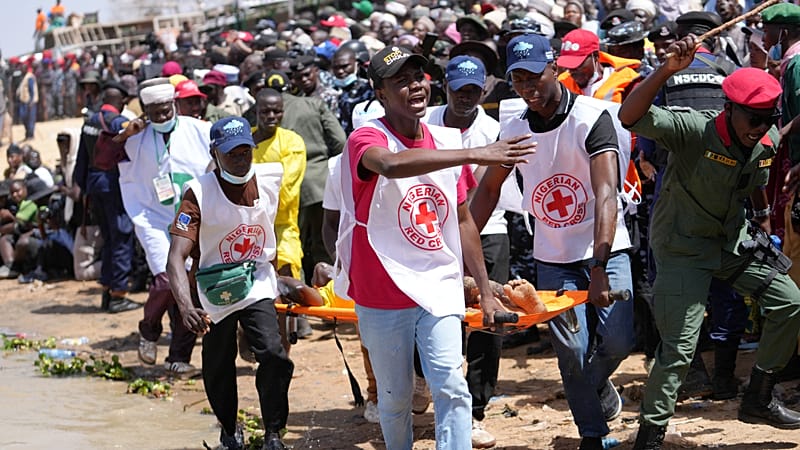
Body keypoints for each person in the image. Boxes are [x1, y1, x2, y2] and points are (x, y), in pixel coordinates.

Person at [339, 44, 534, 450]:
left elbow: (462, 220)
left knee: (451, 384)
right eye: (401, 81)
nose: (414, 87)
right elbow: (391, 164)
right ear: (380, 94)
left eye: (418, 78)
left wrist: (484, 290)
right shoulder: (366, 137)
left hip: (438, 283)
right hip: (382, 289)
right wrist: (477, 152)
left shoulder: (444, 140)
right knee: (395, 401)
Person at [618, 36, 800, 448]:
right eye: (753, 118)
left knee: (789, 302)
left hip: (732, 243)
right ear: (729, 108)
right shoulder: (692, 129)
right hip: (683, 248)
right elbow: (630, 117)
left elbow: (753, 185)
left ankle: (757, 397)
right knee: (680, 349)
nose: (760, 126)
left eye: (767, 117)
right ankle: (651, 433)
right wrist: (664, 71)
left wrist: (764, 221)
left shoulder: (764, 138)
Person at [471, 33, 636, 450]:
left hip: (606, 246)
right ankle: (592, 434)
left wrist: (598, 267)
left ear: (554, 68)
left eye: (533, 76)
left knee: (618, 338)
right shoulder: (514, 128)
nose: (526, 88)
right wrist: (457, 246)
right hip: (554, 256)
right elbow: (488, 191)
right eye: (517, 80)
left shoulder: (591, 117)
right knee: (570, 350)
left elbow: (604, 195)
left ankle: (594, 387)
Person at [167, 116, 292, 450]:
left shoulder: (267, 178)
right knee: (218, 362)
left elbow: (275, 228)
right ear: (215, 153)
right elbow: (176, 257)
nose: (240, 158)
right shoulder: (198, 193)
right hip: (214, 287)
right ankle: (228, 428)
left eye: (244, 150)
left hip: (256, 281)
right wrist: (186, 306)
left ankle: (273, 434)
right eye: (231, 152)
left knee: (274, 355)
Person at [423, 54, 521, 449]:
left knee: (487, 321)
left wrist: (465, 236)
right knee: (431, 313)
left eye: (472, 91)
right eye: (457, 90)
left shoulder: (494, 131)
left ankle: (476, 410)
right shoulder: (423, 121)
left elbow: (487, 191)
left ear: (484, 90)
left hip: (488, 230)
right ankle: (428, 391)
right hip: (429, 232)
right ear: (444, 87)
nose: (465, 98)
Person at [117, 79, 212, 377]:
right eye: (154, 112)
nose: (161, 117)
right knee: (167, 279)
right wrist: (124, 135)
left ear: (174, 105)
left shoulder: (199, 130)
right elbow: (103, 158)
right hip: (154, 218)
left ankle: (178, 357)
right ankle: (149, 328)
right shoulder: (136, 137)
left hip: (192, 219)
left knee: (188, 287)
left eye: (165, 110)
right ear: (145, 110)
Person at [73, 81, 141, 313]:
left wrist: (80, 187)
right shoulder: (116, 121)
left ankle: (107, 291)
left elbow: (81, 158)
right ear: (120, 102)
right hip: (112, 185)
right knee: (121, 237)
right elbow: (132, 128)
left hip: (94, 186)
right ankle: (119, 294)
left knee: (109, 240)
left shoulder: (90, 121)